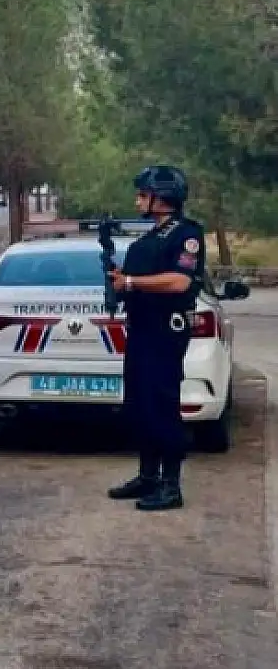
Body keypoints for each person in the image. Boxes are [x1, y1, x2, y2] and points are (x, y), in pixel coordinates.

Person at [106, 165, 207, 512]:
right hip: (142, 329)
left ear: (161, 198)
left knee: (163, 407)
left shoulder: (186, 234)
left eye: (143, 193)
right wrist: (120, 281)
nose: (138, 199)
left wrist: (131, 283)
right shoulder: (149, 238)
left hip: (166, 331)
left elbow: (179, 281)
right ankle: (148, 476)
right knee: (140, 406)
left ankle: (170, 485)